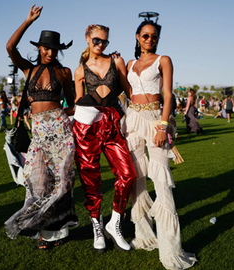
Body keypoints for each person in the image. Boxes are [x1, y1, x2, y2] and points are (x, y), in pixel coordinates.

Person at [4, 5, 78, 250]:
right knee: (37, 183)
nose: (49, 52)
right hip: (38, 135)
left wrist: (57, 114)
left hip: (61, 132)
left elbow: (74, 104)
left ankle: (53, 234)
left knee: (62, 183)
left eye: (54, 49)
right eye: (46, 48)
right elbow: (10, 48)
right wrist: (27, 21)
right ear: (39, 48)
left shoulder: (64, 72)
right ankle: (37, 226)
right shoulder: (30, 69)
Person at [124, 19, 197, 269]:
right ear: (137, 37)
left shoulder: (163, 59)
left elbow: (167, 95)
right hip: (132, 120)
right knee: (137, 178)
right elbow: (123, 92)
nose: (149, 39)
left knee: (162, 182)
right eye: (145, 36)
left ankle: (170, 250)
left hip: (156, 120)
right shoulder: (128, 63)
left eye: (154, 36)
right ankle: (144, 236)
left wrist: (164, 125)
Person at [73, 23, 136, 253]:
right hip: (86, 128)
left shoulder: (116, 61)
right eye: (97, 40)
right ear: (87, 39)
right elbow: (78, 102)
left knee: (127, 174)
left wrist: (152, 111)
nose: (101, 45)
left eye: (105, 41)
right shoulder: (79, 71)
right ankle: (96, 225)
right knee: (91, 180)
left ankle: (115, 223)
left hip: (111, 125)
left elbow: (128, 90)